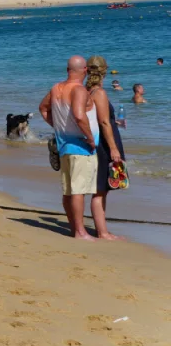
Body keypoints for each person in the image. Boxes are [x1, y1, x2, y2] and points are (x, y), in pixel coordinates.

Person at [38, 55, 99, 240]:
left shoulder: (56, 88)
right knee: (78, 191)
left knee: (68, 190)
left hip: (64, 145)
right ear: (85, 71)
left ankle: (74, 229)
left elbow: (43, 108)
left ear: (67, 70)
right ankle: (80, 232)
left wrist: (58, 127)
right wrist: (90, 138)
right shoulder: (79, 90)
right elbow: (80, 116)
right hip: (81, 147)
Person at [86, 56, 126, 241]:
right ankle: (102, 232)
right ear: (104, 70)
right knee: (101, 188)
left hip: (98, 140)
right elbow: (103, 122)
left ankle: (102, 229)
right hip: (104, 142)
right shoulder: (99, 92)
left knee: (101, 187)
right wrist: (113, 148)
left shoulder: (87, 91)